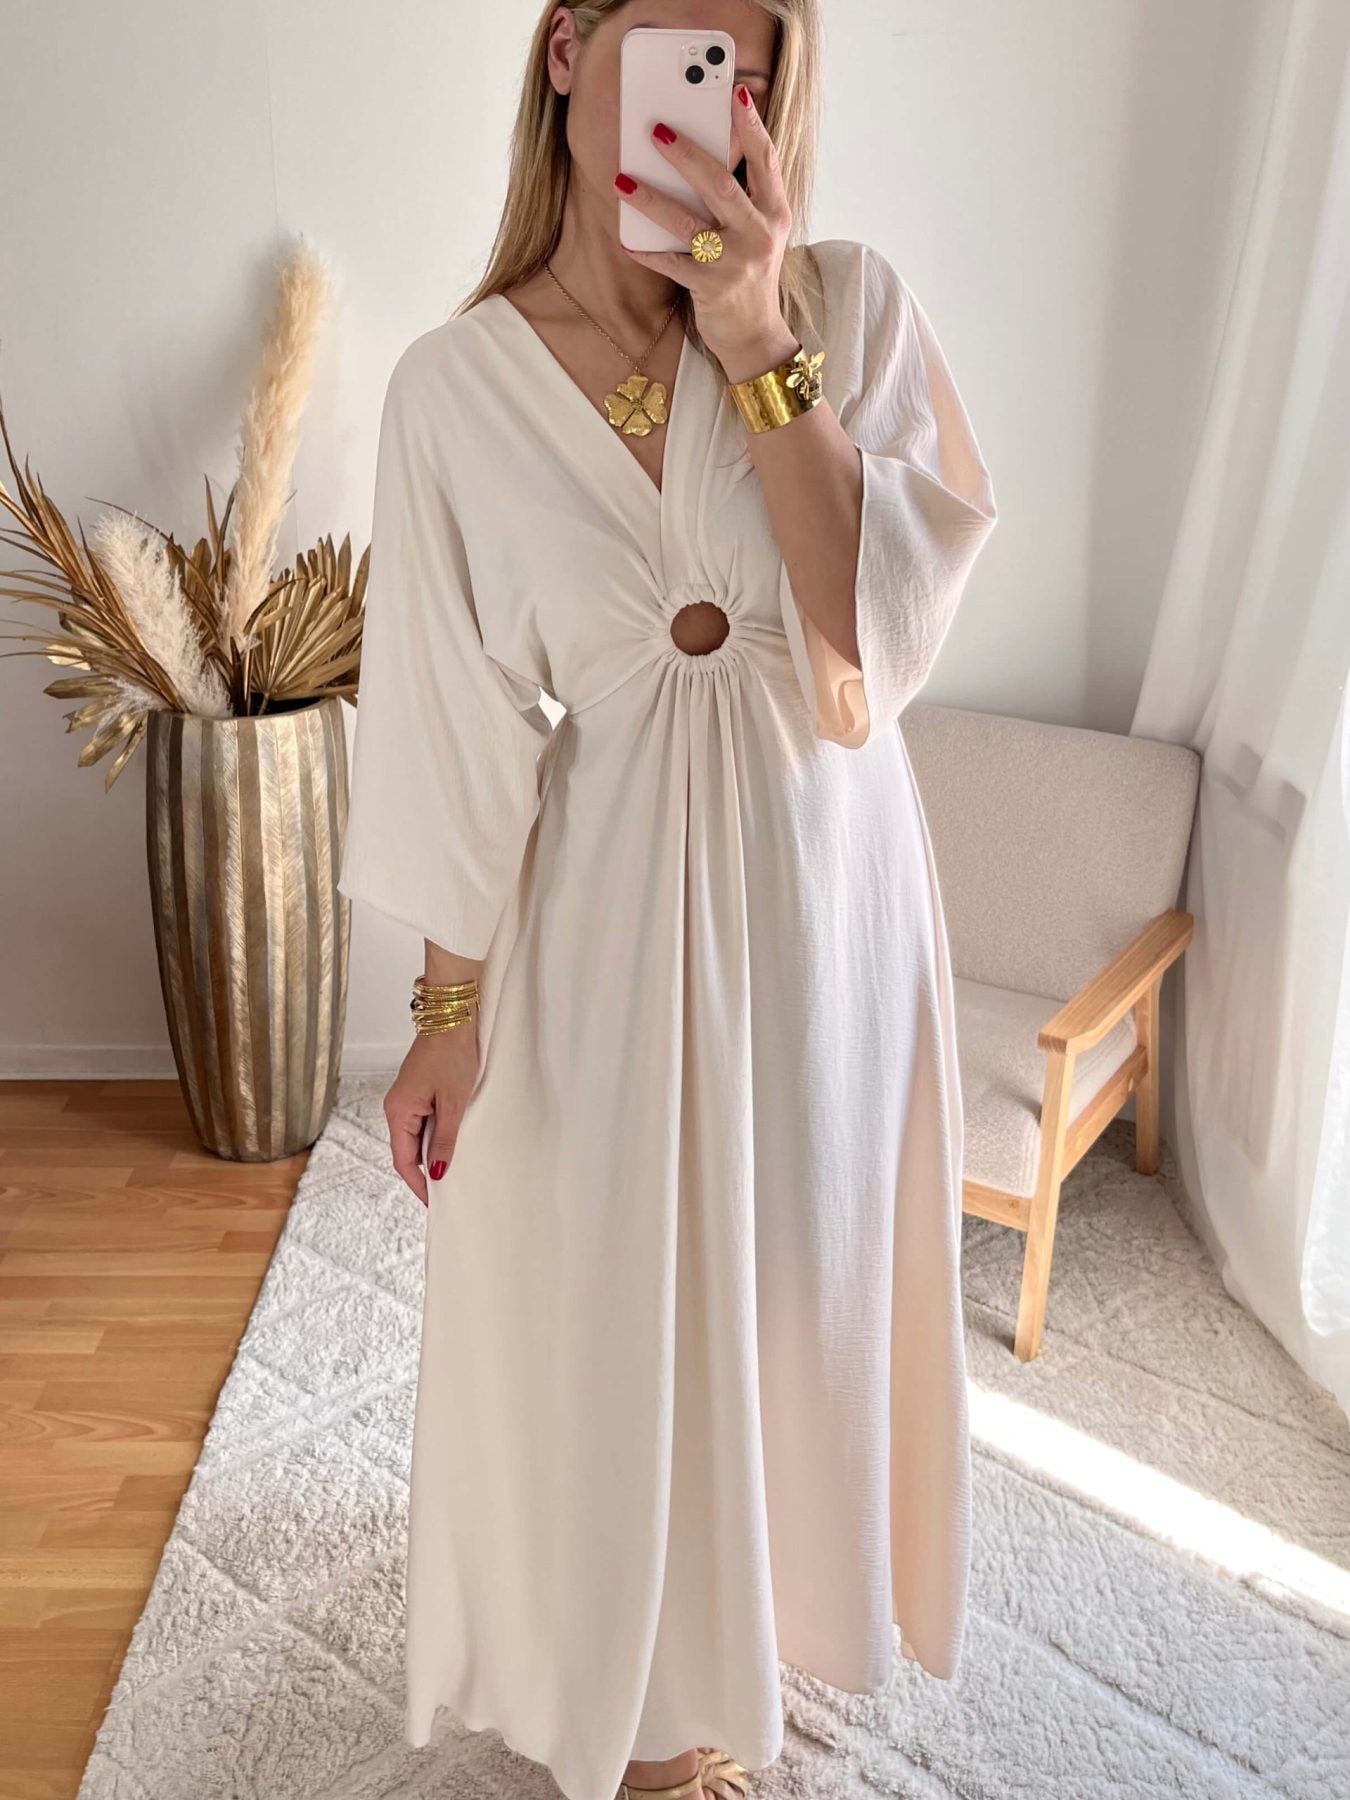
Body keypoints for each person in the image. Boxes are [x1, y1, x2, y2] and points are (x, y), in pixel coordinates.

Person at [337, 3, 998, 1798]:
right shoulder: (453, 388)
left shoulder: (845, 307)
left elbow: (863, 640)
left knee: (792, 1280)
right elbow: (455, 736)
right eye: (677, 52)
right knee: (593, 1288)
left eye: (749, 71)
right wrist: (445, 1015)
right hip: (609, 898)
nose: (719, 103)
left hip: (821, 882)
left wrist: (758, 335)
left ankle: (729, 1667)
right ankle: (620, 1675)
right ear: (569, 51)